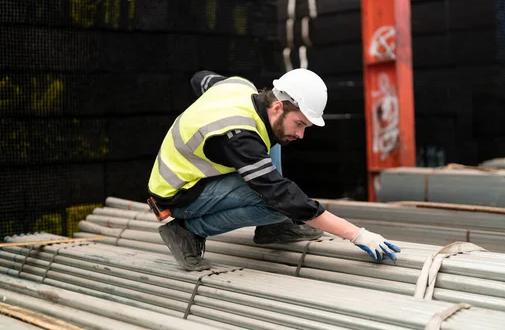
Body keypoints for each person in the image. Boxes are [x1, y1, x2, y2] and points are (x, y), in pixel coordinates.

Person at [147, 68, 401, 270]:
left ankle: (271, 229)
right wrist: (357, 235)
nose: (301, 135)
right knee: (275, 204)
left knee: (276, 137)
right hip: (179, 193)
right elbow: (282, 196)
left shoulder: (239, 87)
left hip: (197, 173)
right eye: (299, 123)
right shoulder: (239, 136)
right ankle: (187, 231)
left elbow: (200, 78)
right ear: (279, 106)